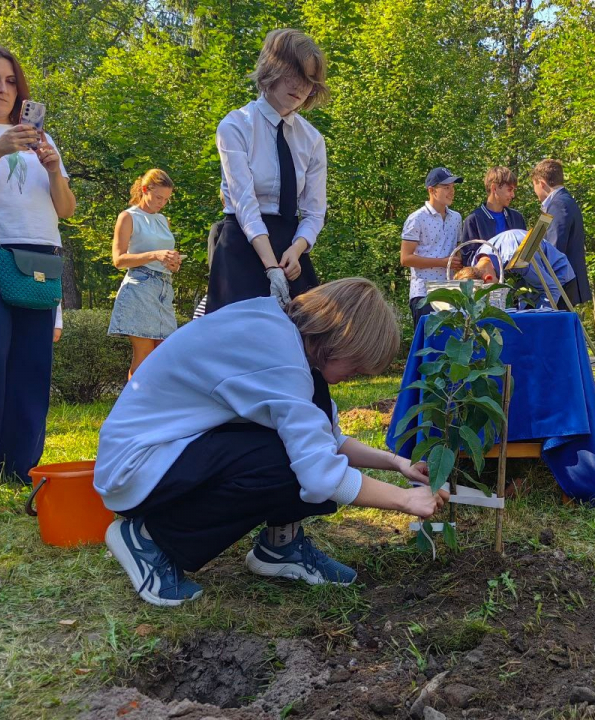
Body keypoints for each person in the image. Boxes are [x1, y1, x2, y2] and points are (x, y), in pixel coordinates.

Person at [94, 278, 449, 607]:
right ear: (337, 341)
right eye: (354, 368)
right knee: (286, 462)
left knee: (299, 445)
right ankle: (149, 540)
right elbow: (320, 474)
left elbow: (327, 437)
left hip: (167, 453)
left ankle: (280, 548)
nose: (350, 378)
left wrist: (395, 463)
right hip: (139, 468)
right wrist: (404, 499)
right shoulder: (282, 361)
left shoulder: (279, 334)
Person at [0, 43, 76, 492]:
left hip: (39, 256)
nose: (2, 88)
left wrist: (54, 168)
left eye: (10, 80)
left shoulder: (40, 138)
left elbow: (65, 209)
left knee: (32, 362)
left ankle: (22, 463)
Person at [205, 28, 328, 314]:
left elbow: (314, 212)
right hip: (242, 246)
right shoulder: (235, 126)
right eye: (293, 74)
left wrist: (296, 251)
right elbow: (244, 203)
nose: (299, 86)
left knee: (307, 343)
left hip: (291, 251)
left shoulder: (312, 140)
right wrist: (270, 267)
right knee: (235, 345)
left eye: (309, 80)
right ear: (272, 69)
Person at [108, 169, 181, 377]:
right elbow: (119, 260)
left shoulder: (162, 219)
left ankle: (153, 406)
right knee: (145, 354)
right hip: (139, 287)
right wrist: (155, 255)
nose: (162, 203)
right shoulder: (128, 217)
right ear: (144, 190)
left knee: (164, 353)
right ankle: (133, 408)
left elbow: (162, 257)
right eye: (158, 197)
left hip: (164, 289)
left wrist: (173, 264)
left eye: (166, 199)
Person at [400, 167, 464, 327]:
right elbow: (405, 259)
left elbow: (458, 250)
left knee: (449, 346)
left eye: (453, 187)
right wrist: (442, 262)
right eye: (446, 187)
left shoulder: (456, 218)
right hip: (424, 294)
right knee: (427, 347)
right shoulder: (416, 218)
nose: (452, 192)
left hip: (451, 294)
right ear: (431, 190)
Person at [530, 159, 592, 306]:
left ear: (541, 183)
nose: (535, 192)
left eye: (534, 185)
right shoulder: (564, 201)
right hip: (565, 283)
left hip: (561, 284)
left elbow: (553, 249)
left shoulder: (558, 204)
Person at [468, 228, 576, 309]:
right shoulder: (477, 261)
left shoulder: (516, 259)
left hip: (558, 280)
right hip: (531, 288)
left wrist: (539, 322)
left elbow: (551, 290)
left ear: (488, 278)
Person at [460, 166, 526, 266]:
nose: (513, 195)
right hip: (487, 280)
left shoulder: (517, 218)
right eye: (509, 190)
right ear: (494, 188)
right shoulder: (474, 220)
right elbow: (468, 260)